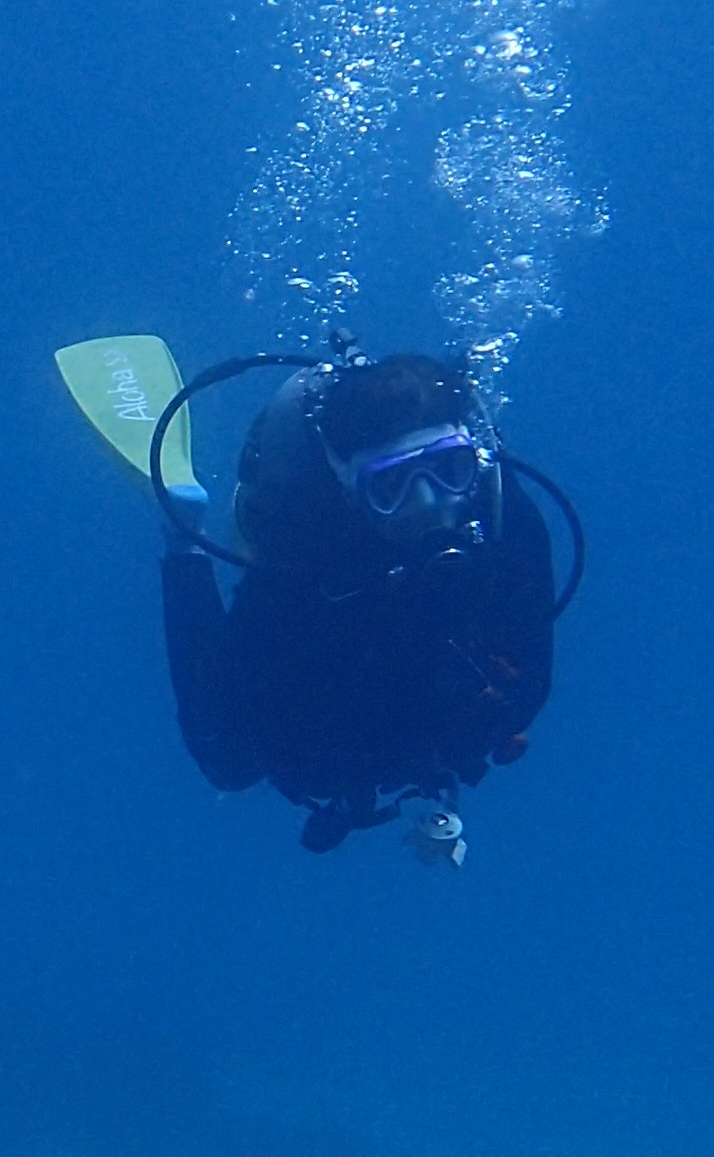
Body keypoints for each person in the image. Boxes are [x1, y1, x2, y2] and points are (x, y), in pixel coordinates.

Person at [160, 346, 562, 860]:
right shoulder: (308, 545)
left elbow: (531, 671)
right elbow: (263, 726)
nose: (430, 504)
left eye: (449, 469)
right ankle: (183, 544)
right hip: (327, 667)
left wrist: (473, 718)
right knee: (230, 762)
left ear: (473, 461)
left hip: (403, 705)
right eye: (391, 484)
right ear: (349, 484)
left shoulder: (504, 518)